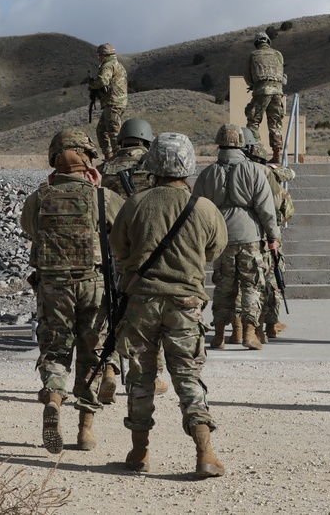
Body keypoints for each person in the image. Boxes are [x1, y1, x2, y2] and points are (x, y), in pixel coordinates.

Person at [110, 132, 228, 478]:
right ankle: (205, 452)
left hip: (142, 302)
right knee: (188, 377)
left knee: (141, 378)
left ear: (154, 165)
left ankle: (139, 452)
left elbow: (120, 248)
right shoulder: (204, 207)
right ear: (188, 165)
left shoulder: (136, 203)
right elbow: (214, 250)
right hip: (185, 304)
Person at [19, 128, 124, 454]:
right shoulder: (101, 196)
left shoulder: (40, 197)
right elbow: (122, 235)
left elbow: (29, 228)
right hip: (92, 286)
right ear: (89, 158)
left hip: (52, 287)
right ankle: (85, 430)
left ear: (54, 159)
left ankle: (53, 399)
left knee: (55, 351)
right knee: (92, 355)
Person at [98, 117, 170, 397]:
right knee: (148, 310)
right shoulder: (154, 167)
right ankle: (149, 374)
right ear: (146, 140)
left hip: (111, 250)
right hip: (147, 250)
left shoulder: (103, 169)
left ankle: (109, 369)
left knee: (111, 309)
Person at [194, 124, 280, 351]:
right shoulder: (254, 171)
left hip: (220, 237)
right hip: (249, 236)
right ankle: (249, 334)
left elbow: (197, 208)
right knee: (251, 285)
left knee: (223, 286)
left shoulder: (207, 173)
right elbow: (266, 208)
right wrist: (273, 235)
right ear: (242, 143)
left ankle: (220, 334)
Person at [245, 139, 295, 341]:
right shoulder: (270, 174)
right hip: (271, 235)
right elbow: (290, 175)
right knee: (272, 281)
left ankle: (248, 325)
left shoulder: (243, 174)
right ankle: (271, 324)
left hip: (249, 233)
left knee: (251, 283)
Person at [243, 31, 287, 164]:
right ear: (268, 42)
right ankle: (276, 154)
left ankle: (257, 154)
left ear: (257, 43)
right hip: (277, 91)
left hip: (262, 91)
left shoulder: (253, 55)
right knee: (275, 123)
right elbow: (281, 73)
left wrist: (253, 85)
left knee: (253, 121)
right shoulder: (278, 54)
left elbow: (247, 75)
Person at [88, 43, 128, 160]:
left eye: (100, 55)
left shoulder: (108, 65)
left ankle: (118, 159)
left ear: (105, 54)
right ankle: (110, 157)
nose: (98, 58)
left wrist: (92, 86)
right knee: (102, 131)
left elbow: (103, 81)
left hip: (113, 103)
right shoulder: (118, 65)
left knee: (113, 132)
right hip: (115, 102)